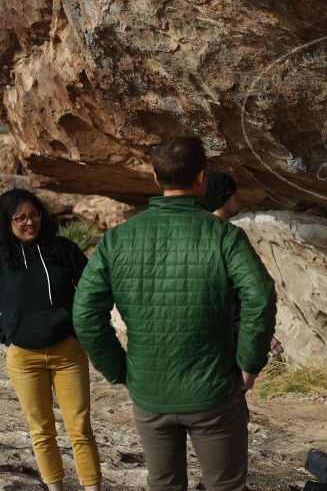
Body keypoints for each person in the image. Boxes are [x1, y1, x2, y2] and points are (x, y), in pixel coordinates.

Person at [72, 137, 278, 491]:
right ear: (202, 177)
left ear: (155, 177)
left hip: (150, 391)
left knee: (163, 484)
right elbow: (259, 297)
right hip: (214, 392)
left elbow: (86, 315)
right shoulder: (224, 237)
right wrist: (249, 363)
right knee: (226, 485)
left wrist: (119, 369)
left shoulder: (117, 239)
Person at [0, 188, 102, 491]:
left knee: (80, 427)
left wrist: (81, 326)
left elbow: (92, 291)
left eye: (34, 215)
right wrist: (7, 332)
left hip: (67, 352)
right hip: (24, 358)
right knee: (41, 430)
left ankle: (93, 488)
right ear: (7, 222)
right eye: (20, 218)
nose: (29, 222)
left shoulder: (63, 249)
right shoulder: (2, 257)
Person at [204, 171, 283, 354]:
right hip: (229, 334)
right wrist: (260, 334)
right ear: (225, 197)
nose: (238, 197)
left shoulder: (201, 234)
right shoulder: (227, 236)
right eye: (234, 192)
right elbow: (248, 290)